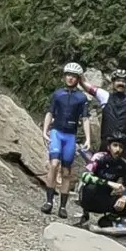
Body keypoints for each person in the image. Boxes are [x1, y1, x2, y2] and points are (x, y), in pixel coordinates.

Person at [42, 62, 92, 218]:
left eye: (74, 76)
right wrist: (45, 131)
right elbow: (50, 113)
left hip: (70, 136)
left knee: (66, 171)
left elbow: (85, 119)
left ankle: (62, 206)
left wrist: (88, 139)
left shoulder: (81, 97)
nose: (71, 79)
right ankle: (49, 201)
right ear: (64, 77)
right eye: (68, 75)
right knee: (54, 165)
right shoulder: (58, 94)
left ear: (78, 79)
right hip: (57, 132)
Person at [79, 132, 126, 227]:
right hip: (90, 196)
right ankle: (85, 213)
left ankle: (108, 218)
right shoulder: (99, 157)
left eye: (120, 146)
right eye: (115, 145)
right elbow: (85, 176)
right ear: (109, 147)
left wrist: (124, 197)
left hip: (105, 198)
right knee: (90, 187)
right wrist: (109, 183)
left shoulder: (123, 164)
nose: (118, 149)